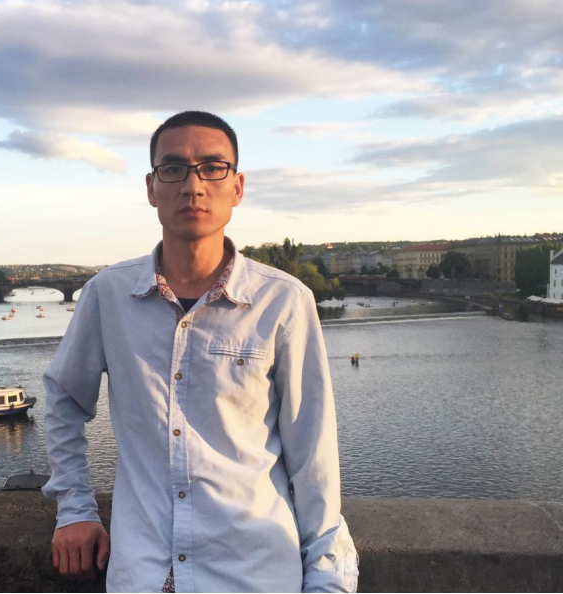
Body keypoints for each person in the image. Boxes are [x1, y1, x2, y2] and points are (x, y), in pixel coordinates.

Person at [43, 111, 358, 592]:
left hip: (254, 577)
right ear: (152, 188)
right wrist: (75, 509)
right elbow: (64, 400)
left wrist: (328, 580)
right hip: (144, 577)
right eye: (174, 168)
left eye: (213, 167)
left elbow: (313, 453)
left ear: (237, 187)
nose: (193, 186)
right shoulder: (107, 295)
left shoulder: (284, 301)